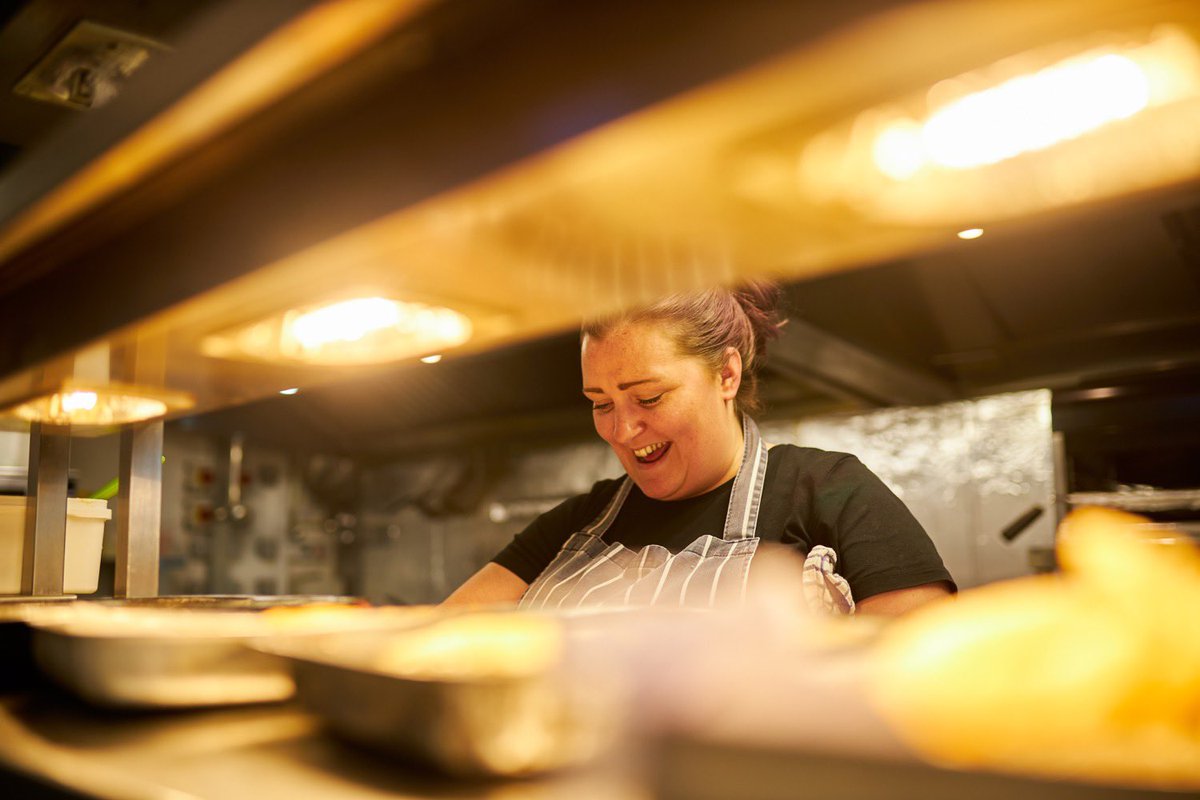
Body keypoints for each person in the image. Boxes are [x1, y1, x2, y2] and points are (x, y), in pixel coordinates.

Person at [445, 283, 955, 615]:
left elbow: (920, 671)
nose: (622, 430)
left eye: (649, 397)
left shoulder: (829, 491)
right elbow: (446, 640)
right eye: (601, 403)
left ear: (726, 374)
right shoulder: (580, 520)